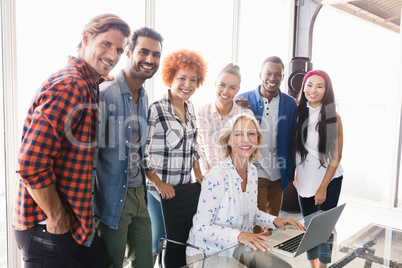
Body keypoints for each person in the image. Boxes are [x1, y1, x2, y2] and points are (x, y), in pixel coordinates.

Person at [12, 14, 130, 267]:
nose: (113, 55)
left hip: (75, 224)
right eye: (106, 44)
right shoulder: (71, 86)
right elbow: (30, 164)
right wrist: (55, 216)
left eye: (119, 49)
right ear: (86, 38)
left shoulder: (87, 84)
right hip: (47, 227)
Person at [185, 114, 305, 264]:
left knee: (283, 266)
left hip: (237, 248)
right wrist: (240, 235)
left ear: (257, 139)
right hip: (208, 253)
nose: (246, 139)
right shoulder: (216, 176)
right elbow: (201, 227)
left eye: (251, 134)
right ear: (228, 140)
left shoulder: (252, 171)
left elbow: (252, 212)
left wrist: (276, 220)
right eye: (238, 134)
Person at [94, 27, 163, 268]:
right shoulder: (106, 93)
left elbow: (138, 151)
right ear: (129, 52)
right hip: (112, 197)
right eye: (144, 52)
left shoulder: (143, 97)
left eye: (156, 55)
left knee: (144, 262)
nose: (150, 60)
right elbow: (91, 157)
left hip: (139, 194)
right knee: (112, 264)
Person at [144, 48, 207, 256]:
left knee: (178, 241)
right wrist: (158, 183)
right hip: (158, 192)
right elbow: (140, 153)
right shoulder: (156, 109)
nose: (187, 85)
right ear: (170, 77)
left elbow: (194, 145)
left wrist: (197, 172)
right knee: (158, 242)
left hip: (182, 189)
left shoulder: (190, 107)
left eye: (193, 79)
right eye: (182, 78)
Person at [237, 56, 297, 232]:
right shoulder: (243, 99)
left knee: (272, 222)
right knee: (256, 220)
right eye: (268, 73)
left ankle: (265, 255)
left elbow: (293, 139)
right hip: (256, 169)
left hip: (279, 171)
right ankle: (253, 256)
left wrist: (293, 171)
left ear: (282, 77)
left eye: (277, 74)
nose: (272, 78)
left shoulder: (290, 103)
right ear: (260, 75)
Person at [295, 70, 343, 268]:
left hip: (328, 181)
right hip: (304, 181)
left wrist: (323, 186)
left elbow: (336, 156)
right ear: (304, 87)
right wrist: (296, 172)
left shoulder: (333, 117)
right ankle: (313, 266)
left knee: (323, 229)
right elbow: (298, 150)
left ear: (326, 90)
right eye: (309, 84)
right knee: (308, 228)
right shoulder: (298, 113)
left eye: (319, 86)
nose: (313, 90)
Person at [197, 63, 254, 174]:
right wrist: (206, 173)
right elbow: (199, 147)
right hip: (208, 178)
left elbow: (250, 149)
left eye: (232, 87)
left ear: (238, 90)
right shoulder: (202, 112)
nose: (226, 91)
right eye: (222, 85)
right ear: (215, 84)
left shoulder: (246, 114)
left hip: (238, 177)